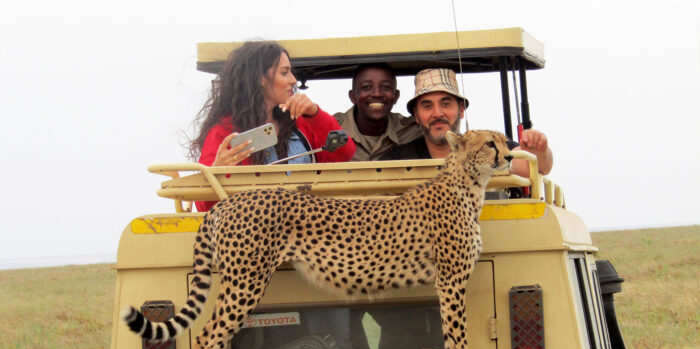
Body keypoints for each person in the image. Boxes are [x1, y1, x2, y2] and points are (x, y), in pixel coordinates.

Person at [188, 41, 356, 212]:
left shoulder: (301, 121)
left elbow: (345, 152)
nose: (293, 80)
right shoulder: (225, 132)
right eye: (285, 73)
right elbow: (204, 206)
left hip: (307, 230)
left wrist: (315, 113)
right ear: (260, 78)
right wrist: (218, 172)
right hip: (256, 233)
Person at [381, 68, 553, 178]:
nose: (437, 113)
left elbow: (536, 166)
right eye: (427, 106)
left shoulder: (489, 146)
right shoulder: (398, 158)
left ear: (461, 109)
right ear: (417, 116)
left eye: (446, 103)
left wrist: (539, 151)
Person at [334, 63, 422, 161]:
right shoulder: (328, 131)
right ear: (353, 96)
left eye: (386, 87)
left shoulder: (415, 130)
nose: (377, 94)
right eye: (366, 87)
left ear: (396, 96)